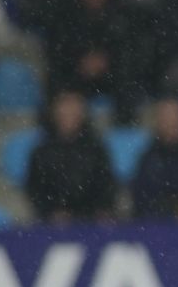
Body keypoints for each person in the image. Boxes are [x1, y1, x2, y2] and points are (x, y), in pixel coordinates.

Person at [25, 90, 118, 223]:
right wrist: (51, 211)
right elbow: (35, 189)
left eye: (74, 109)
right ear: (54, 113)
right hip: (53, 223)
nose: (69, 114)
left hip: (92, 219)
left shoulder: (97, 149)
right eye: (65, 109)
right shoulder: (41, 151)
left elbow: (106, 183)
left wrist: (102, 208)